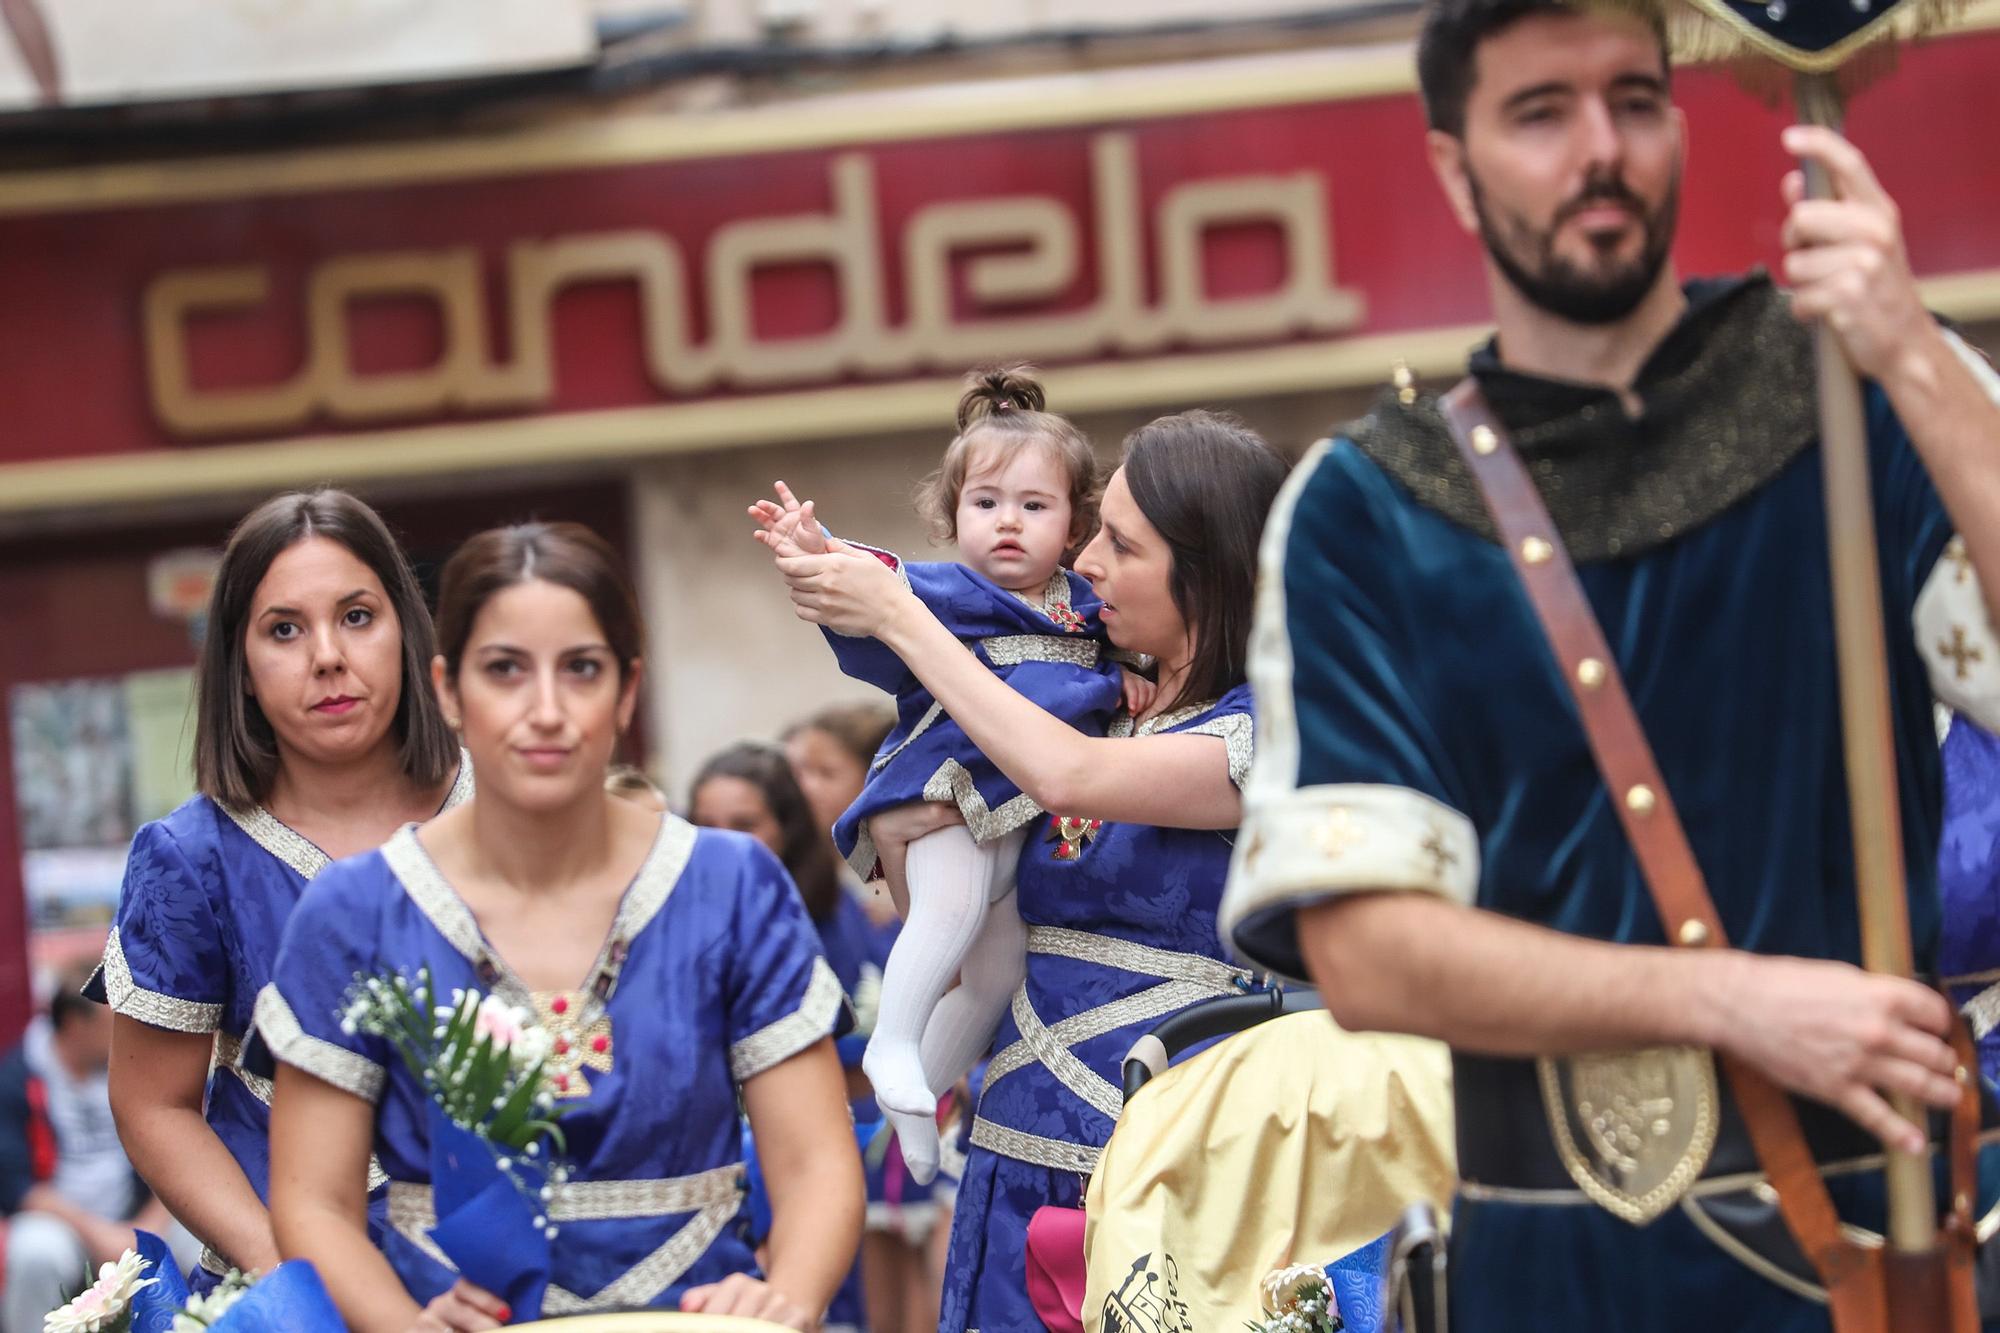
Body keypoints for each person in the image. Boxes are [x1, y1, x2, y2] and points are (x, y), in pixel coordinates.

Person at [1216, 3, 2000, 1329]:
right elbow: (1368, 954)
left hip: (1875, 1257)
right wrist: (1741, 1002)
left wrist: (1916, 355)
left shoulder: (1855, 391)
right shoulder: (1366, 511)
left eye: (1635, 100)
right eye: (1542, 112)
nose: (1603, 149)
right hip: (1564, 1277)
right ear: (1455, 170)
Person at [256, 522, 863, 1333]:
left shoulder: (729, 885)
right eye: (505, 670)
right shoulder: (357, 911)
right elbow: (312, 1197)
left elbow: (815, 1159)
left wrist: (787, 1296)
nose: (546, 710)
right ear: (446, 689)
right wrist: (400, 1324)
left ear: (626, 691)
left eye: (580, 669)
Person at [762, 408, 1289, 1333]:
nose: (1083, 562)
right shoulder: (1101, 700)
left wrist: (904, 618)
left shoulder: (1263, 730)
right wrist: (915, 820)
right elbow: (957, 846)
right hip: (1013, 1142)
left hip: (1177, 1154)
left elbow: (1068, 777)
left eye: (1117, 544)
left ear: (1204, 569)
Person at [752, 367, 1146, 1186]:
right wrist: (818, 552)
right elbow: (878, 585)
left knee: (999, 973)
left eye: (1034, 506)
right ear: (953, 514)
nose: (1008, 522)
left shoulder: (1085, 607)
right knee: (950, 907)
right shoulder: (953, 593)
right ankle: (895, 1040)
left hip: (1022, 816)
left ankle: (921, 1102)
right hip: (949, 795)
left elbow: (1124, 661)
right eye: (986, 503)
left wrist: (1135, 671)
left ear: (1076, 522)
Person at [85, 489, 466, 1291]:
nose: (327, 655)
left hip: (538, 1275)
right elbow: (155, 1106)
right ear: (243, 668)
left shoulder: (507, 801)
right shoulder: (192, 859)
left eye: (357, 616)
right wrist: (287, 1271)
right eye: (284, 629)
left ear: (407, 629)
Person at [690, 741, 880, 1333]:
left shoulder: (822, 924)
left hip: (817, 1164)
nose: (723, 841)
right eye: (704, 825)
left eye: (745, 825)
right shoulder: (676, 927)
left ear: (787, 830)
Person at [0, 965, 183, 1333]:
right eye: (112, 1020)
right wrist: (99, 1234)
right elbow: (18, 1188)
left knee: (202, 1239)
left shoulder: (138, 1068)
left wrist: (146, 1226)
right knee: (35, 1251)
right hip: (61, 1223)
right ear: (73, 1024)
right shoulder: (18, 1076)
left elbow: (181, 1152)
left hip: (141, 1215)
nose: (124, 1031)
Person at [783, 704, 899, 924]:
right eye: (796, 770)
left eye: (826, 772)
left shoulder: (894, 883)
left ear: (873, 782)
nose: (804, 786)